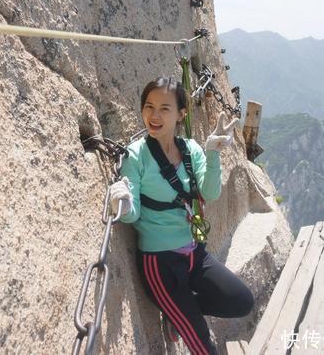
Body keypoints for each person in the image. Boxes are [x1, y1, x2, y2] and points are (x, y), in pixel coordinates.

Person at [109, 76, 254, 355]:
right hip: (160, 264)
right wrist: (124, 205)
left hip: (194, 253)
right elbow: (133, 212)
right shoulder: (136, 156)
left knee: (241, 301)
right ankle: (180, 316)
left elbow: (209, 193)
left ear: (180, 114)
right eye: (148, 106)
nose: (154, 115)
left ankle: (180, 315)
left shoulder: (192, 150)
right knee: (203, 345)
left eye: (164, 108)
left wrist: (212, 154)